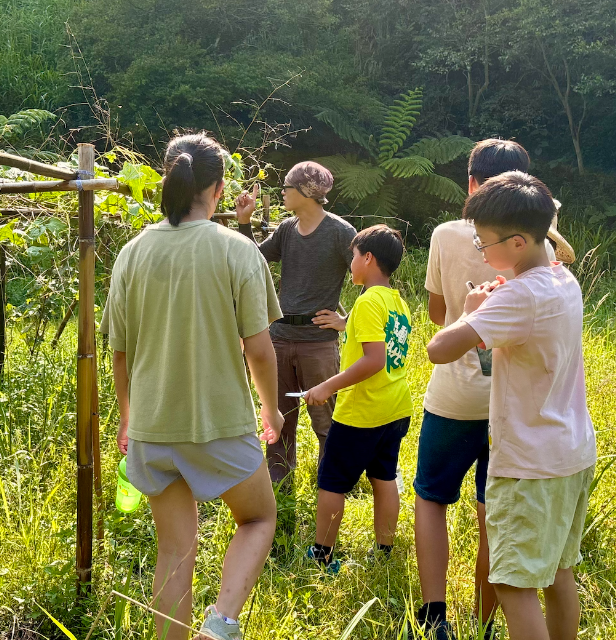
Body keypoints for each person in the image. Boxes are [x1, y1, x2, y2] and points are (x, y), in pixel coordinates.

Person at [103, 132, 284, 640]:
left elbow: (119, 352)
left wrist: (128, 417)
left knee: (173, 551)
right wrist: (271, 411)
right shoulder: (236, 250)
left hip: (153, 429)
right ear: (219, 190)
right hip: (219, 423)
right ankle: (221, 624)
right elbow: (260, 349)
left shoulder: (131, 253)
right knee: (258, 519)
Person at [426, 172, 597, 640]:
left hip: (528, 465)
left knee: (512, 584)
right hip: (572, 453)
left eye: (483, 243)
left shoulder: (519, 296)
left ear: (518, 242)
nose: (481, 252)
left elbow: (439, 348)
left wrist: (470, 309)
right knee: (559, 574)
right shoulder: (563, 280)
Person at [411, 139, 546, 639]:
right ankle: (487, 620)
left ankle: (433, 618)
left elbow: (435, 310)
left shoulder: (447, 234)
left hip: (452, 396)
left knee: (431, 497)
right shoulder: (538, 245)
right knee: (492, 511)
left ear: (471, 183)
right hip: (510, 404)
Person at [237, 162, 356, 495]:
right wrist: (244, 223)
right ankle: (279, 489)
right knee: (278, 420)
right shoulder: (288, 230)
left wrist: (347, 321)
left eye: (287, 186)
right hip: (279, 338)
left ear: (306, 191)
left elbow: (368, 277)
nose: (282, 193)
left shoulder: (340, 232)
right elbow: (254, 261)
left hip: (318, 343)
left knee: (325, 423)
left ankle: (331, 489)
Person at [301, 224, 413, 573]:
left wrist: (327, 387)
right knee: (384, 478)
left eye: (352, 256)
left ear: (368, 257)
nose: (350, 264)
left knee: (332, 480)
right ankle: (383, 553)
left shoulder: (366, 301)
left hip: (362, 412)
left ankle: (322, 557)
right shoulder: (396, 301)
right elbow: (379, 341)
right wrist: (344, 325)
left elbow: (373, 359)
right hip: (395, 408)